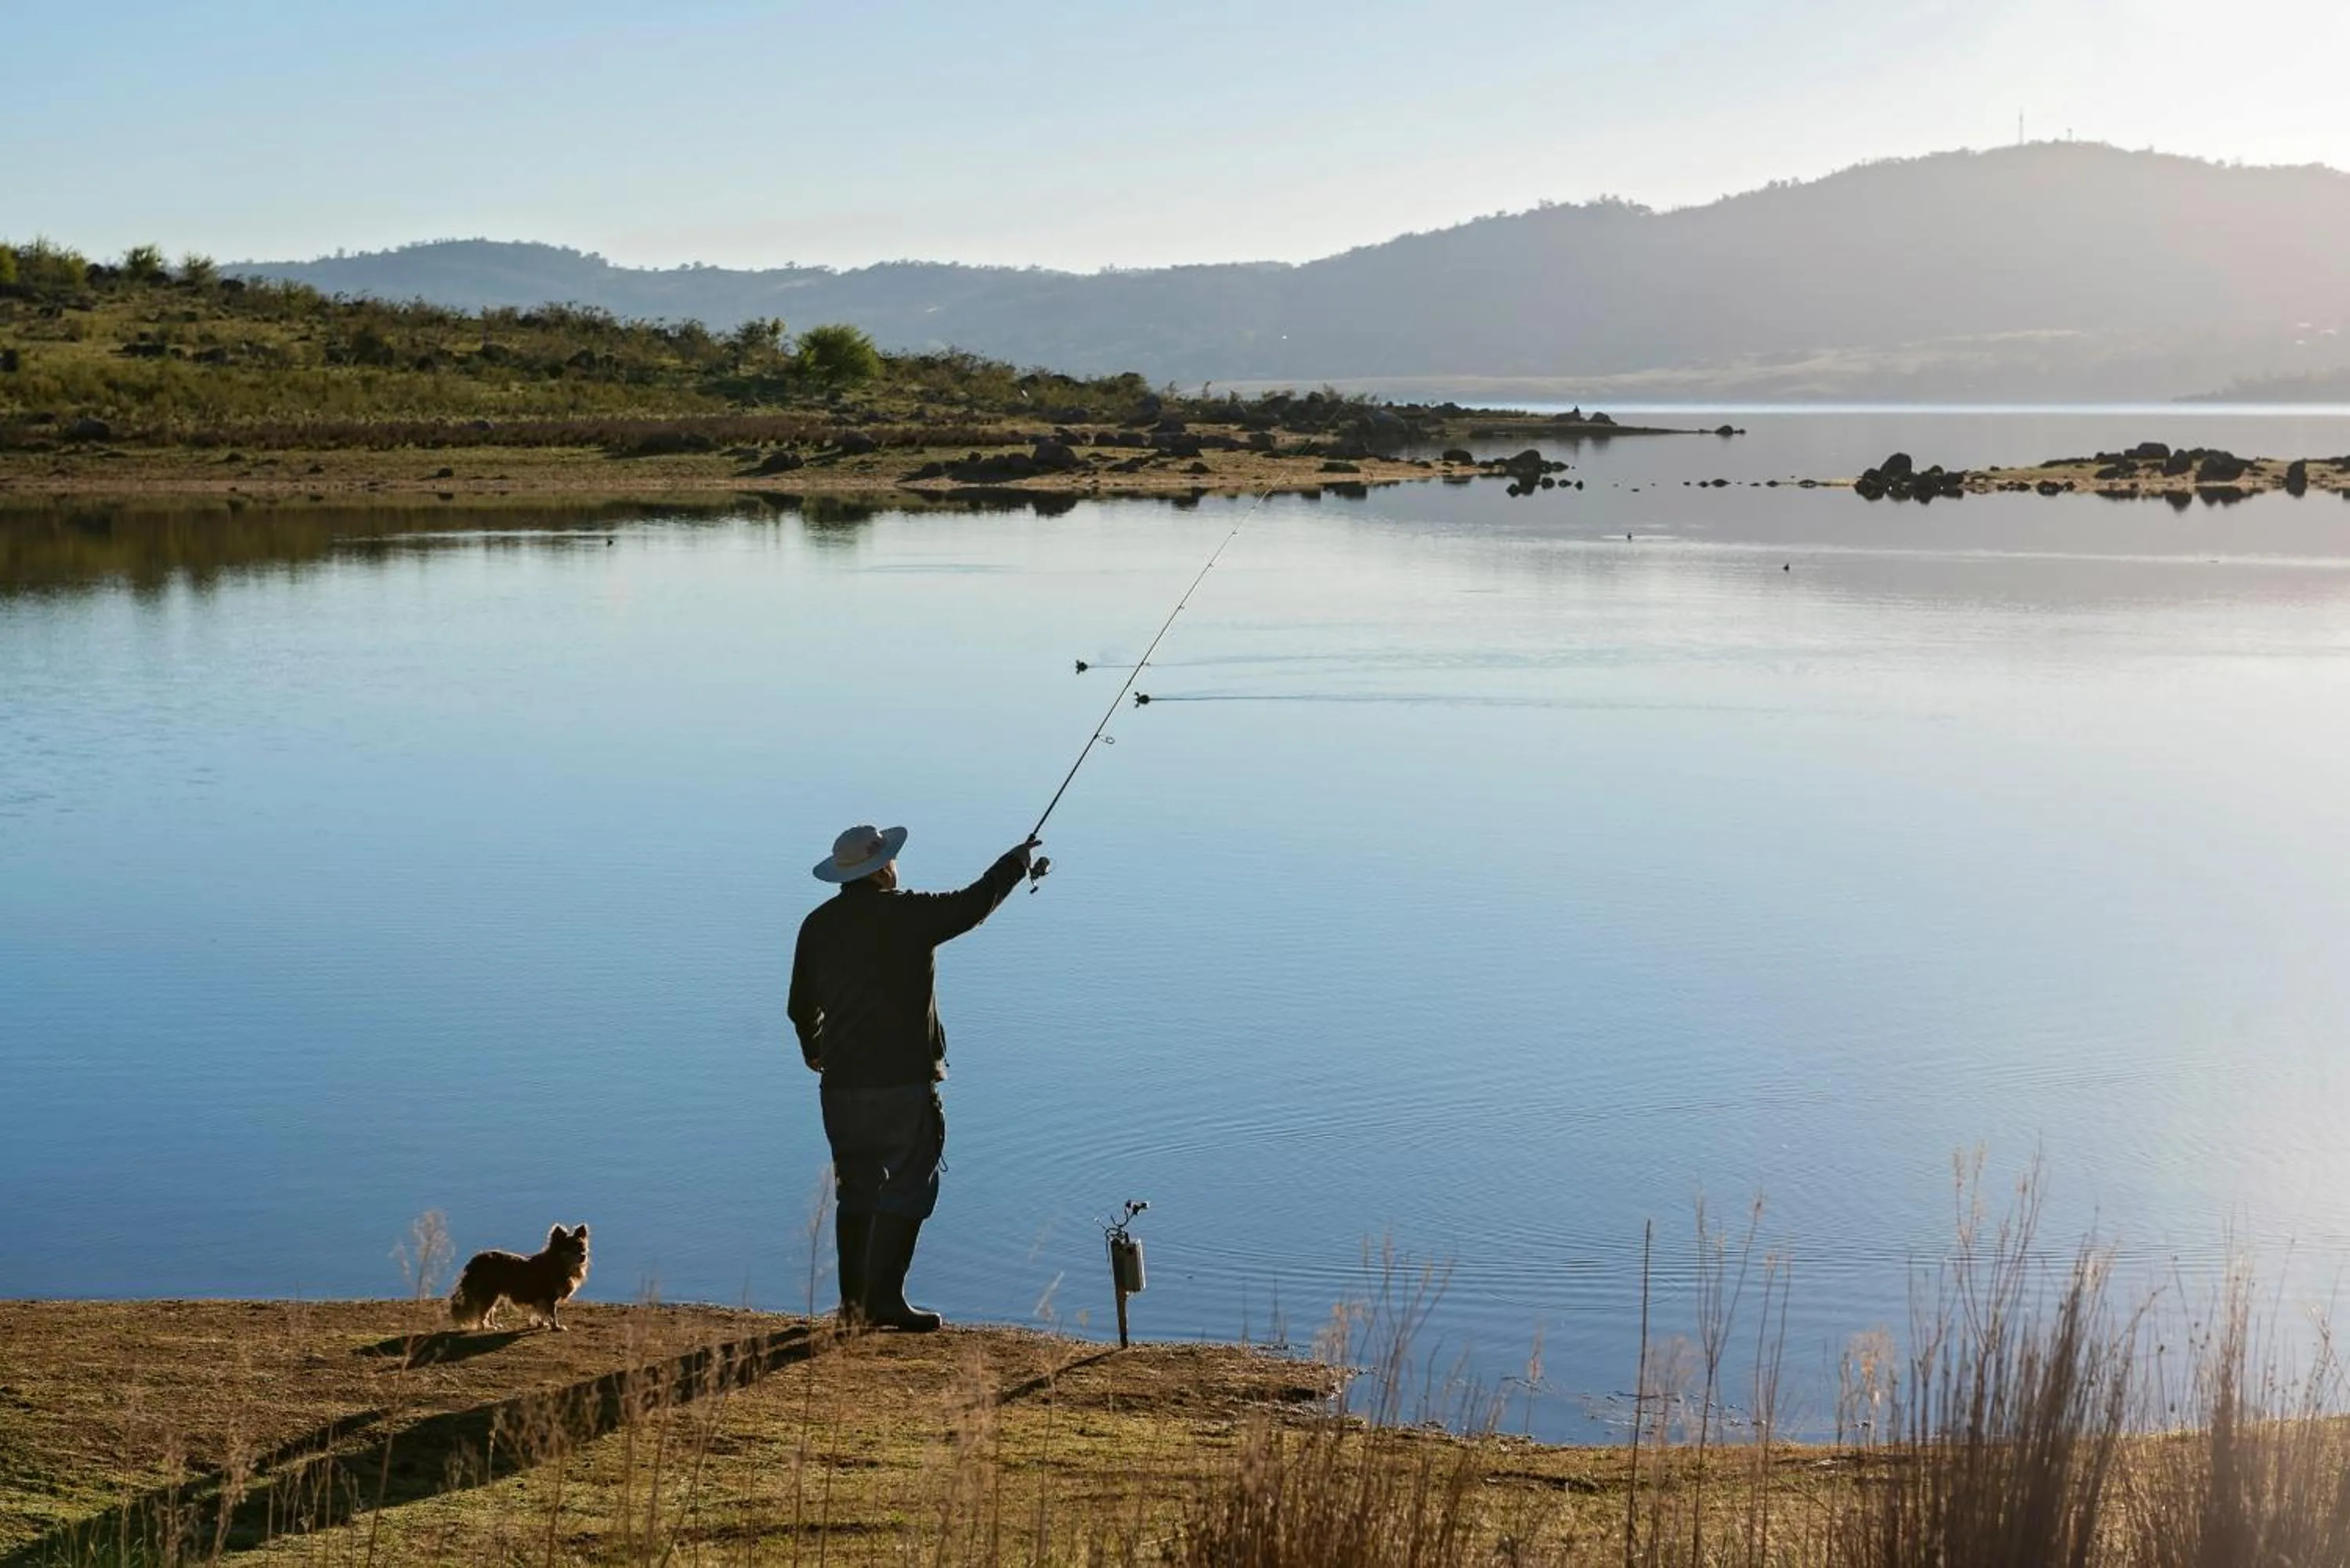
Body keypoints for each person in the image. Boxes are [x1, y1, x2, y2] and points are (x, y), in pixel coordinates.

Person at [788, 823, 1036, 1330]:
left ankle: (853, 1309)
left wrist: (815, 1050)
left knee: (854, 1190)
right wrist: (1013, 864)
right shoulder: (908, 915)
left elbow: (799, 1007)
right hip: (901, 1082)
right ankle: (886, 1300)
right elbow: (973, 905)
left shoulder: (817, 924)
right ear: (882, 869)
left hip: (840, 1087)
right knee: (909, 1184)